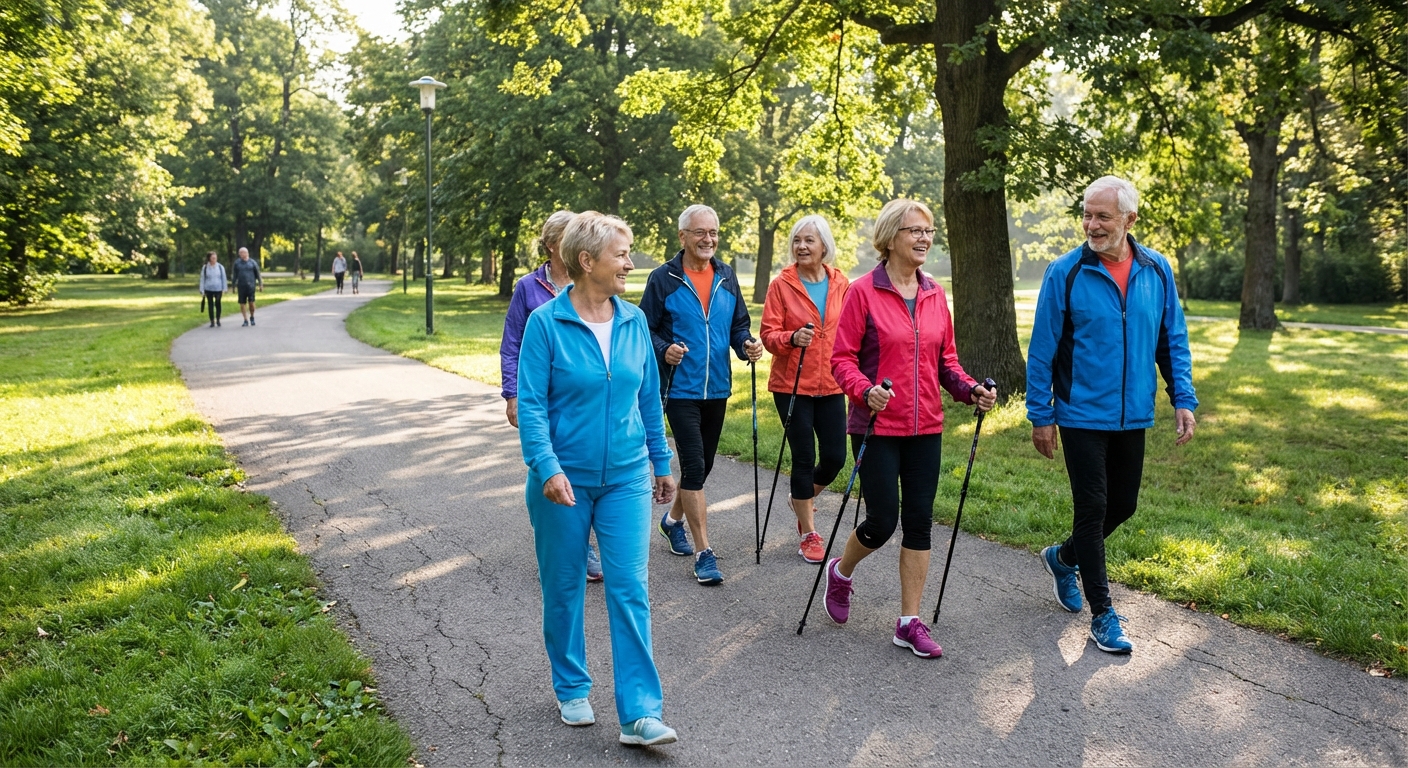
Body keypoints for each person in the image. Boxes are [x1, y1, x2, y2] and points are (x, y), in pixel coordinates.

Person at [517, 211, 680, 747]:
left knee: (630, 589)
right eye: (621, 254)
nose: (630, 263)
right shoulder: (546, 324)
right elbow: (533, 407)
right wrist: (548, 468)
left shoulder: (633, 322)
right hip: (561, 482)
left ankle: (640, 714)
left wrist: (660, 461)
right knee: (563, 587)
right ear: (586, 262)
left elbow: (648, 401)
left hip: (627, 479)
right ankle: (571, 687)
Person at [1026, 175, 1198, 655]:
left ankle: (1062, 559)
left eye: (1102, 216)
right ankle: (1104, 614)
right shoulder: (1066, 272)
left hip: (1134, 414)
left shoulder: (1156, 270)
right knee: (1094, 507)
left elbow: (1172, 341)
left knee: (1123, 505)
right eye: (1087, 214)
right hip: (1080, 414)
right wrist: (1042, 414)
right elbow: (1041, 352)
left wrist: (1182, 398)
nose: (1092, 224)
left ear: (1129, 220)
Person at [825, 199, 996, 658]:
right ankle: (841, 574)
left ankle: (908, 622)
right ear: (890, 237)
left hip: (927, 428)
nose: (924, 238)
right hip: (876, 426)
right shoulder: (862, 292)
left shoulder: (936, 294)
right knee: (883, 522)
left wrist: (970, 390)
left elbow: (948, 363)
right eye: (914, 230)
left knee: (919, 522)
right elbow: (840, 360)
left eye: (928, 230)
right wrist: (864, 391)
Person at [640, 204, 764, 585]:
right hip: (679, 389)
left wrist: (747, 344)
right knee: (694, 468)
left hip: (718, 389)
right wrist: (665, 349)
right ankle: (704, 553)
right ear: (683, 237)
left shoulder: (726, 275)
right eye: (700, 232)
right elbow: (645, 328)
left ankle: (672, 520)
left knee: (703, 467)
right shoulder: (663, 279)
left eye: (713, 232)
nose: (708, 239)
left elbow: (738, 325)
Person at [501, 211, 604, 582]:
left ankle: (584, 541)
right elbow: (512, 344)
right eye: (567, 237)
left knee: (584, 464)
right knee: (544, 463)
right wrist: (512, 395)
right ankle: (558, 532)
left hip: (579, 396)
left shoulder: (593, 283)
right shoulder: (529, 288)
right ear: (550, 246)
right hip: (538, 394)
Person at [759, 215, 850, 563]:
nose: (801, 246)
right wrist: (791, 338)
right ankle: (809, 531)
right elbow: (769, 335)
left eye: (809, 240)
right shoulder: (781, 285)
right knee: (803, 457)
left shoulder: (842, 283)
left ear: (824, 245)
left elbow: (854, 331)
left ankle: (801, 499)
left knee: (834, 459)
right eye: (797, 240)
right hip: (791, 385)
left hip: (832, 383)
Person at [231, 247, 263, 327]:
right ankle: (245, 319)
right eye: (240, 253)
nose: (241, 254)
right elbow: (235, 275)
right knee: (242, 303)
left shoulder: (252, 263)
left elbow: (258, 274)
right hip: (241, 286)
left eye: (243, 253)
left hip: (251, 285)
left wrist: (260, 284)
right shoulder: (237, 263)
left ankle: (252, 316)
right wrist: (233, 286)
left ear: (247, 253)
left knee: (251, 303)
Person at [199, 251, 227, 328]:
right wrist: (202, 290)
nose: (214, 259)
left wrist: (224, 289)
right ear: (209, 258)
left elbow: (223, 278)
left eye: (215, 257)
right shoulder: (205, 267)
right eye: (213, 258)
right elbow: (202, 279)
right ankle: (212, 321)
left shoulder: (220, 267)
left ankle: (218, 319)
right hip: (208, 288)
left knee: (218, 304)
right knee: (210, 305)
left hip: (218, 288)